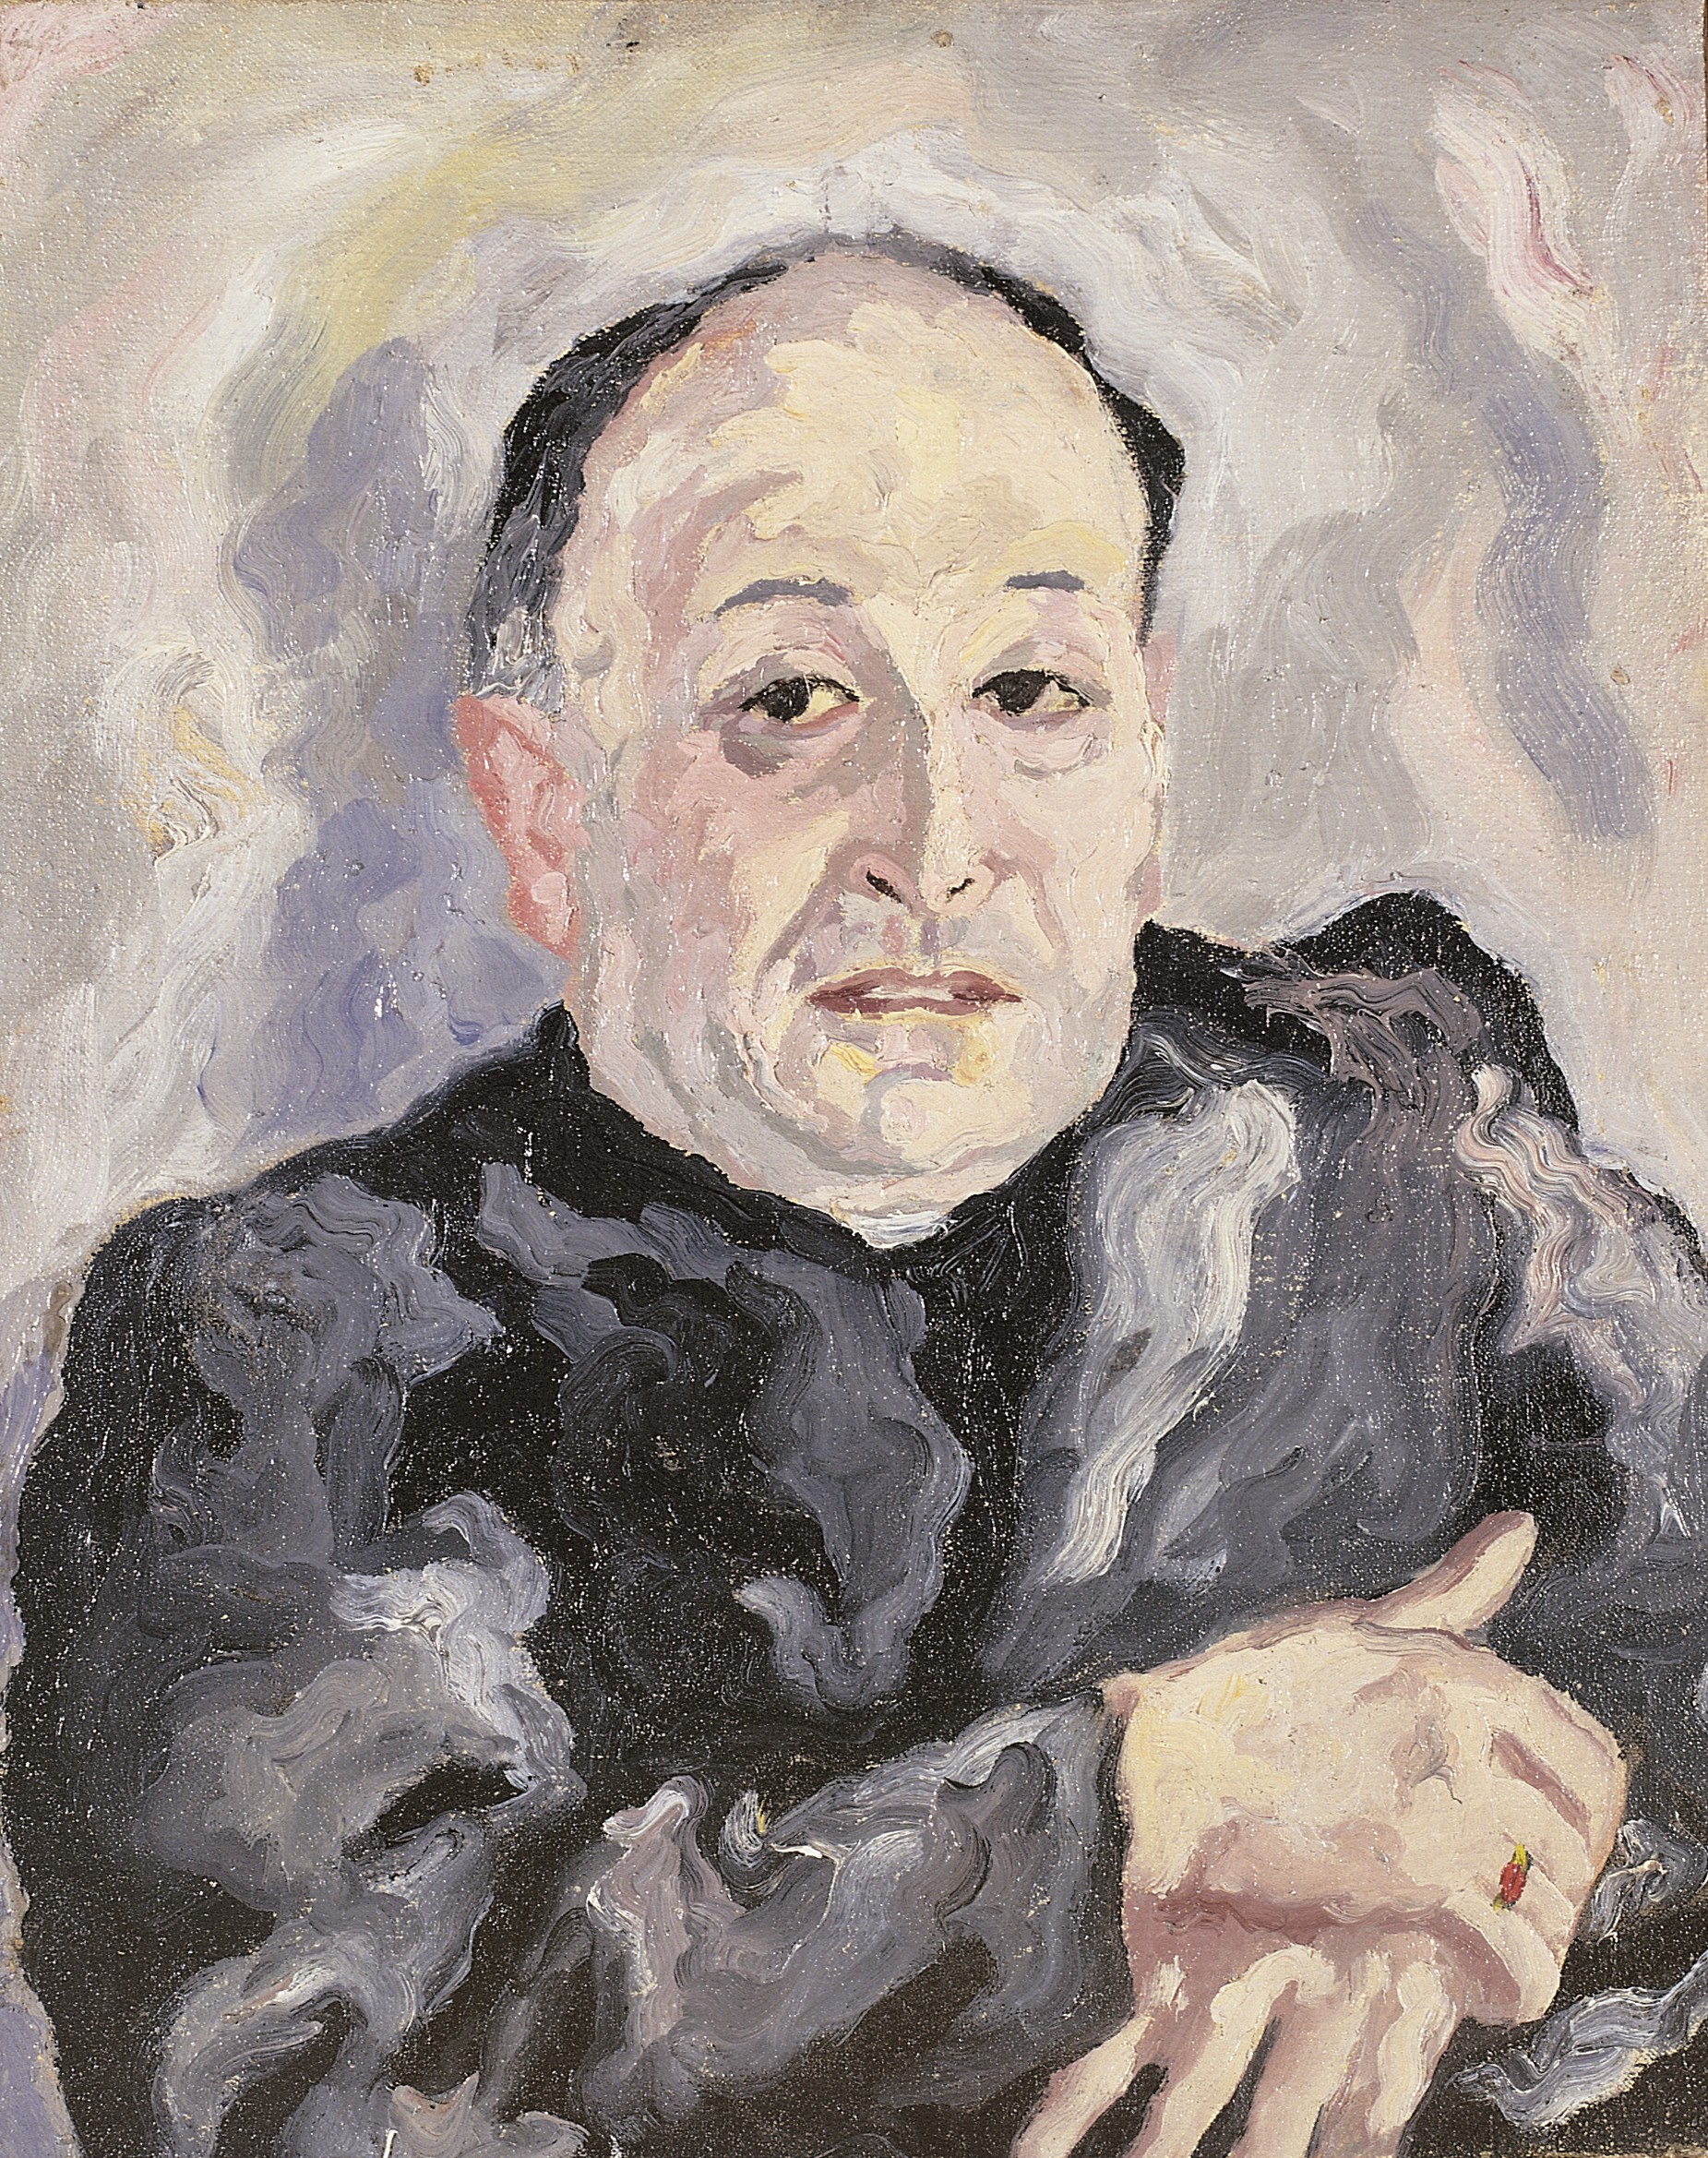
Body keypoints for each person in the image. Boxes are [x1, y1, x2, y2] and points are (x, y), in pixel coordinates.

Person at [6, 236, 1707, 2158]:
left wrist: (1478, 1885)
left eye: (1031, 689)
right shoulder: (292, 1341)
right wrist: (1130, 1820)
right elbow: (306, 2072)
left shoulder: (1423, 1162)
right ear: (544, 812)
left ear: (1147, 762)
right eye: (792, 698)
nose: (935, 843)